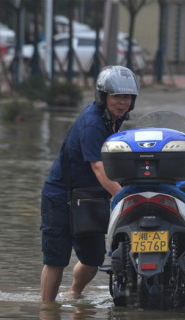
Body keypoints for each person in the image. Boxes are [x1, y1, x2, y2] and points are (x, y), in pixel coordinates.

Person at [40, 65, 140, 302]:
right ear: (103, 96)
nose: (121, 102)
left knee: (94, 258)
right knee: (56, 260)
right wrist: (126, 199)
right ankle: (47, 313)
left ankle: (73, 293)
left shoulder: (114, 120)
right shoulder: (93, 123)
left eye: (126, 97)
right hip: (61, 197)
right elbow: (99, 167)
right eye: (115, 96)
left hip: (90, 198)